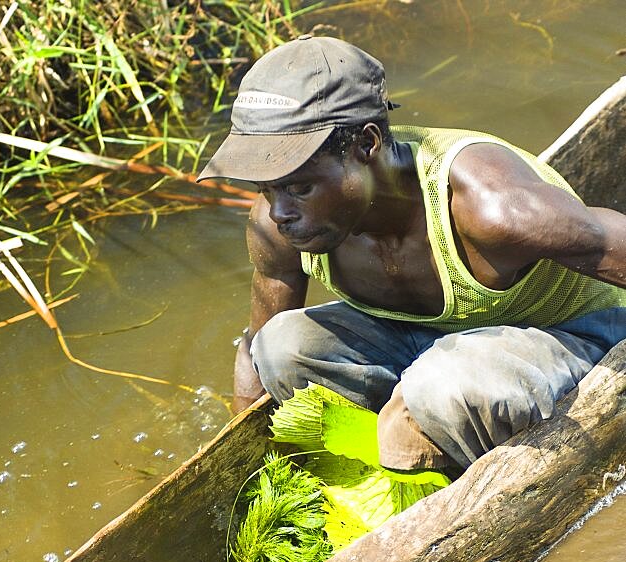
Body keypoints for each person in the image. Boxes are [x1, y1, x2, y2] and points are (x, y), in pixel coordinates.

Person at [198, 35, 626, 473]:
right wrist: (248, 462)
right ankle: (405, 443)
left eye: (299, 187)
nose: (279, 211)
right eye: (265, 189)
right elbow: (256, 349)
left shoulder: (490, 207)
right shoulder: (280, 222)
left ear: (368, 145)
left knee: (440, 385)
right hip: (430, 347)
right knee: (281, 348)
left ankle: (428, 453)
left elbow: (609, 241)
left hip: (569, 336)